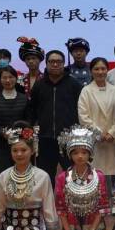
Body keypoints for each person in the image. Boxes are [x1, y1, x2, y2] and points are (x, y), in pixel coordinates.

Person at [0, 122, 60, 230]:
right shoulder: (4, 176)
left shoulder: (42, 176)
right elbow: (0, 207)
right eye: (15, 150)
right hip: (10, 229)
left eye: (23, 150)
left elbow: (48, 207)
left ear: (32, 150)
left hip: (35, 229)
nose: (19, 154)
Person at [55, 125, 111, 230]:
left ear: (90, 153)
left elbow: (102, 207)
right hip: (71, 228)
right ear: (70, 154)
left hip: (94, 228)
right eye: (75, 152)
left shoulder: (99, 176)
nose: (80, 156)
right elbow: (61, 209)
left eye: (84, 152)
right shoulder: (62, 178)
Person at [27, 50, 83, 178]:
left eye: (59, 62)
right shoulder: (39, 85)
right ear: (46, 64)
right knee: (45, 177)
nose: (55, 64)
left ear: (64, 64)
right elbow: (32, 110)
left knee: (73, 175)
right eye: (52, 61)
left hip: (68, 139)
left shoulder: (74, 84)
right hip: (44, 140)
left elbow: (81, 110)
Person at [77, 57, 115, 180]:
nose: (100, 72)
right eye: (96, 69)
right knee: (94, 175)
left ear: (107, 70)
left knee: (112, 174)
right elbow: (83, 116)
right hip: (94, 140)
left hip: (112, 141)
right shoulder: (86, 91)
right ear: (91, 71)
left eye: (103, 68)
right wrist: (99, 133)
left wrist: (111, 132)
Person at [0, 66, 29, 175]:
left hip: (21, 144)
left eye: (11, 77)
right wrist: (2, 132)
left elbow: (28, 119)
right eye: (4, 78)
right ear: (0, 80)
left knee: (22, 173)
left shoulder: (24, 98)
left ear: (16, 78)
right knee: (3, 174)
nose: (8, 80)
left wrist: (21, 133)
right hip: (0, 144)